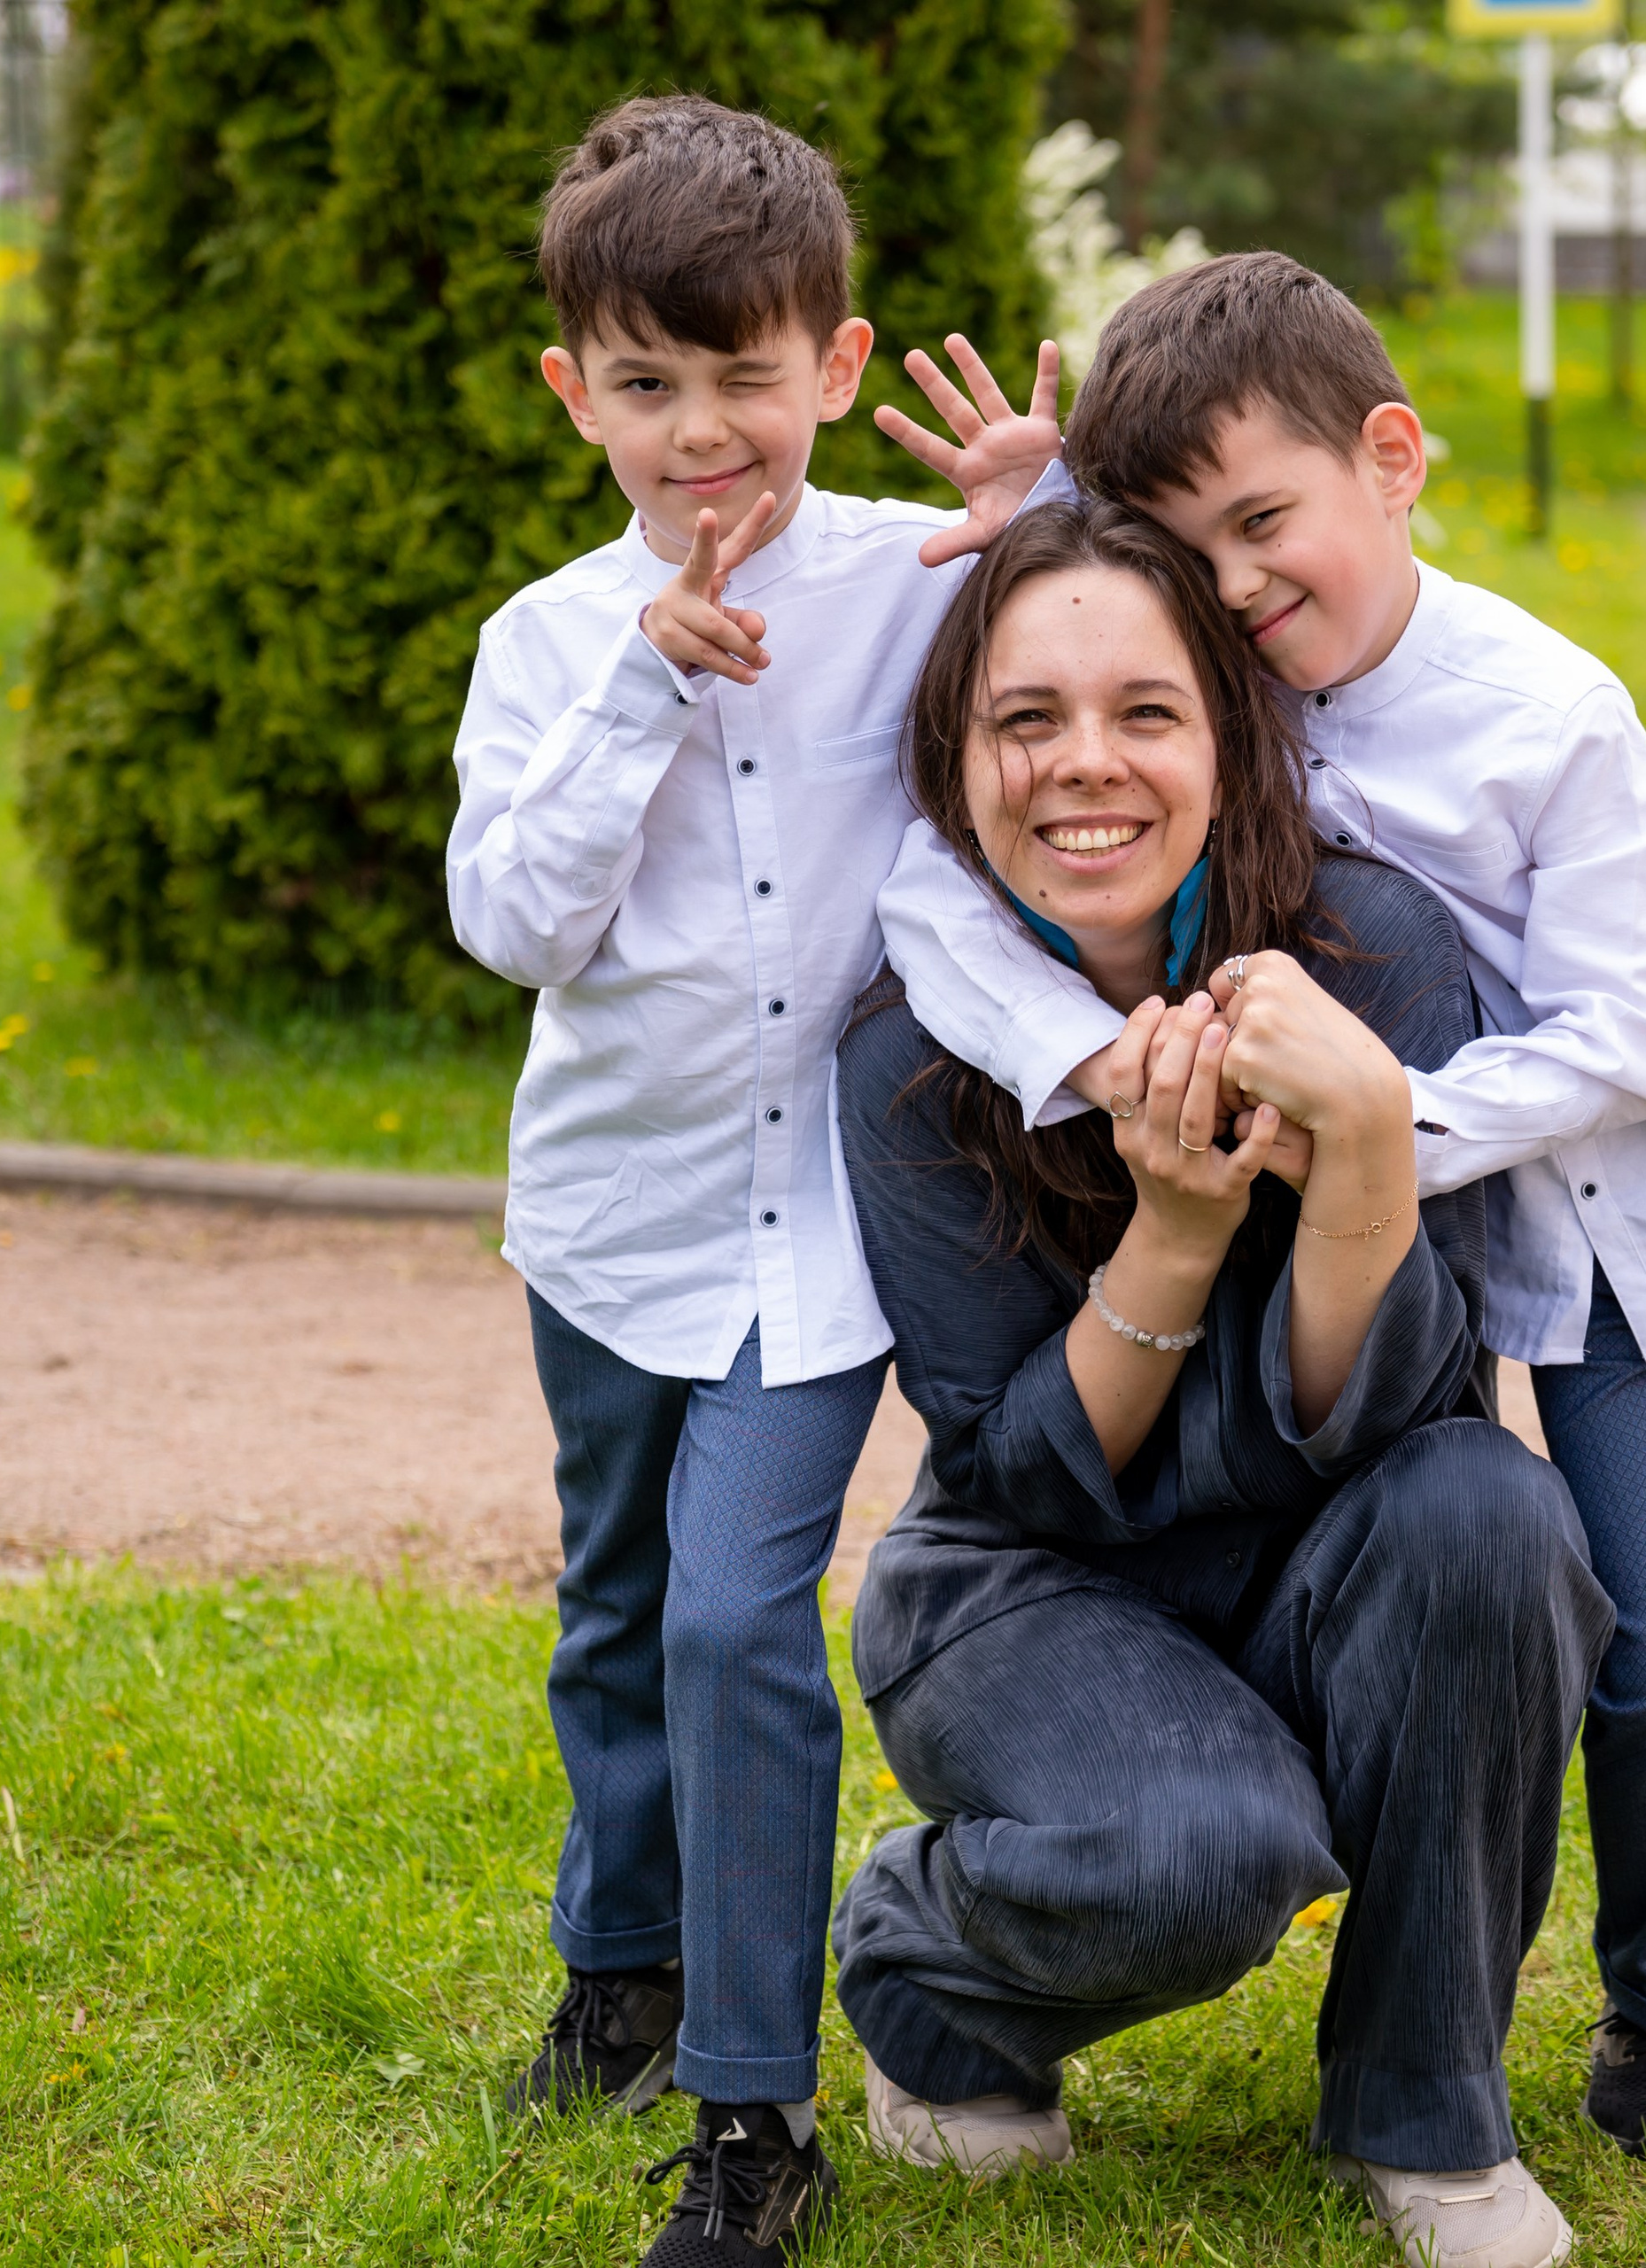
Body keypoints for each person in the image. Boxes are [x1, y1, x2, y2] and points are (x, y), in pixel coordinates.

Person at [880, 252, 1646, 2159]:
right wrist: (1048, 526)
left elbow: (1631, 1035)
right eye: (1188, 551)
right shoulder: (1233, 691)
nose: (1232, 586)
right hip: (1590, 1262)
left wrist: (1365, 1128)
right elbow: (1003, 800)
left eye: (1264, 527)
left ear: (1393, 457)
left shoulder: (1547, 703)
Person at [833, 497, 1612, 2268]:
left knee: (1492, 1515)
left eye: (1144, 711)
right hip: (1034, 1583)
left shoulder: (1372, 955)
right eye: (1025, 718)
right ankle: (923, 1964)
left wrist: (1361, 1149)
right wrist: (1172, 1226)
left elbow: (1403, 1406)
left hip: (1334, 1536)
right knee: (1202, 1846)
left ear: (1228, 733)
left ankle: (1425, 2114)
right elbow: (1019, 1470)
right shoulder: (906, 1051)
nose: (1082, 767)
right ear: (954, 764)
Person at [444, 95, 1064, 2265]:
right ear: (573, 392)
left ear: (830, 357)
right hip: (612, 1223)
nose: (701, 431)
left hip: (828, 1233)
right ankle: (618, 1954)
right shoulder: (544, 643)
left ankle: (747, 2102)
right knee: (617, 1602)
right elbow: (516, 925)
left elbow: (1120, 676)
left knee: (733, 1618)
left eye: (744, 377)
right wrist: (633, 693)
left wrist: (1045, 510)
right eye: (644, 385)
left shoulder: (915, 573)